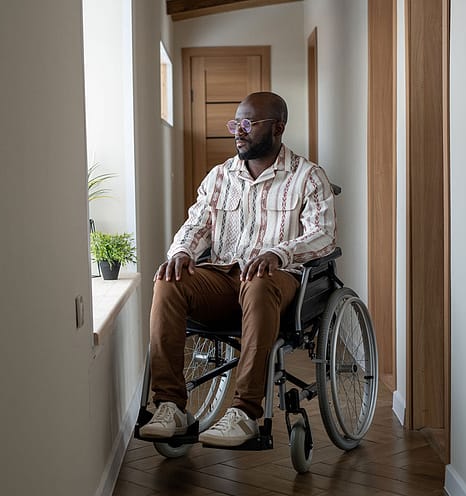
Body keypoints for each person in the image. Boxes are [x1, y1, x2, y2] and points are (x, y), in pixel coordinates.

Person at [139, 91, 337, 447]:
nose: (238, 132)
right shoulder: (220, 176)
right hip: (222, 275)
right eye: (235, 124)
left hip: (277, 282)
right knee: (168, 281)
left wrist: (278, 253)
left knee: (259, 282)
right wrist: (182, 251)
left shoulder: (308, 177)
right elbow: (196, 224)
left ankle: (244, 411)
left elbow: (322, 236)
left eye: (248, 124)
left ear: (278, 127)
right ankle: (171, 406)